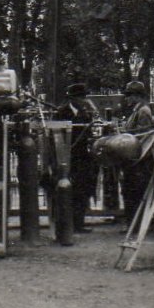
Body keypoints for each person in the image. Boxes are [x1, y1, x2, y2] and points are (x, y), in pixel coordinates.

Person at [55, 83, 100, 233]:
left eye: (84, 97)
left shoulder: (85, 112)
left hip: (82, 157)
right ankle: (68, 223)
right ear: (72, 99)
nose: (84, 100)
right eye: (81, 97)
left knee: (82, 189)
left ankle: (79, 223)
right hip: (68, 157)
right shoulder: (62, 113)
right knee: (69, 190)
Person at [120, 80, 154, 228]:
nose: (126, 98)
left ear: (137, 96)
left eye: (129, 95)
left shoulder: (143, 111)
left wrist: (124, 134)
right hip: (133, 158)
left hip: (139, 159)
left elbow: (144, 135)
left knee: (134, 192)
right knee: (129, 191)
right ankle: (133, 224)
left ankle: (136, 225)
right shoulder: (137, 110)